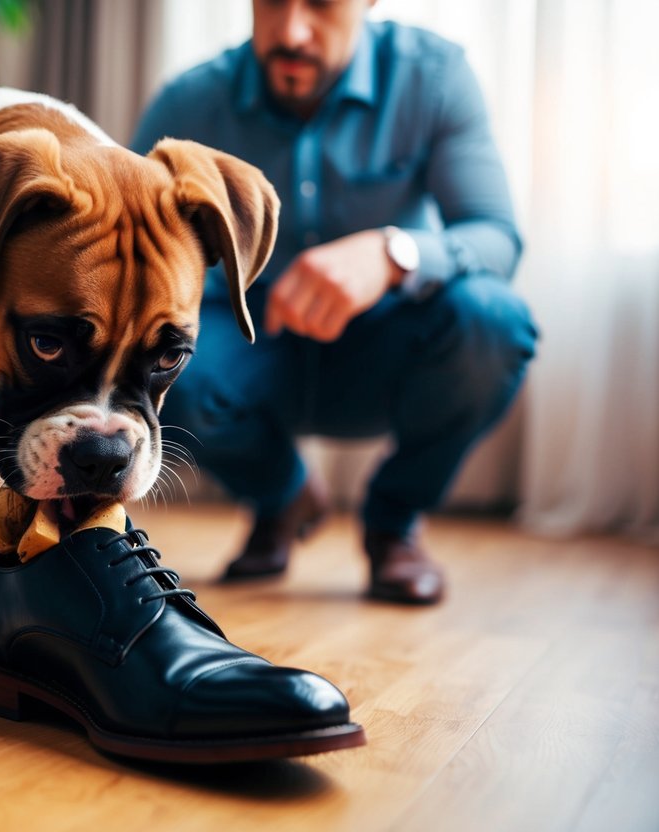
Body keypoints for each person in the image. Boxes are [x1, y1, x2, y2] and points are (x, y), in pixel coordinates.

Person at [131, 0, 537, 604]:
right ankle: (281, 498)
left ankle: (393, 524)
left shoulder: (436, 75)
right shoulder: (188, 103)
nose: (292, 30)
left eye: (321, 3)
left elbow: (495, 236)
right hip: (247, 354)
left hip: (387, 352)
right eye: (272, 2)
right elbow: (134, 271)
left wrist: (393, 256)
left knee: (494, 323)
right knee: (153, 354)